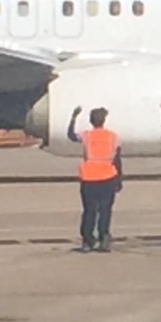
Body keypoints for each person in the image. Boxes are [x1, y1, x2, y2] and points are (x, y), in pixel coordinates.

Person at [67, 106, 122, 253]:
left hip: (89, 178)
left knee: (89, 211)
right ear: (104, 120)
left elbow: (71, 135)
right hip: (108, 177)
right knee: (105, 210)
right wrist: (119, 180)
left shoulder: (87, 136)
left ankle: (87, 241)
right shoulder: (113, 137)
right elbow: (117, 160)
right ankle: (104, 238)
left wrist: (73, 118)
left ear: (91, 121)